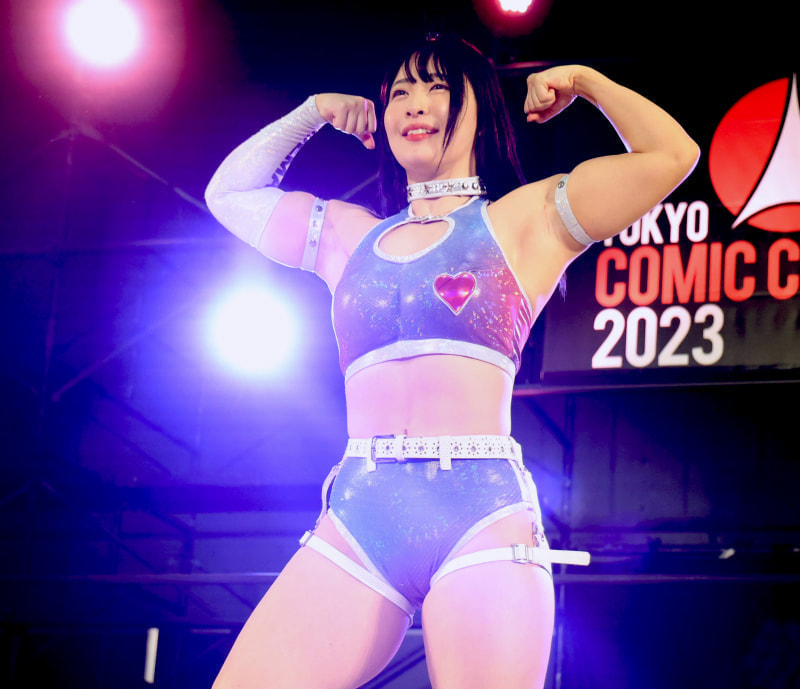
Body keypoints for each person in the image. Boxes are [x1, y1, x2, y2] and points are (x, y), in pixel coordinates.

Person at [204, 34, 699, 689]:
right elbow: (228, 194)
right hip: (359, 516)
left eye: (438, 87)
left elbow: (671, 156)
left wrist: (587, 81)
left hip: (481, 516)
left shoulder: (523, 222)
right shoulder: (347, 235)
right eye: (401, 91)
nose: (415, 103)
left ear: (479, 110)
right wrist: (311, 112)